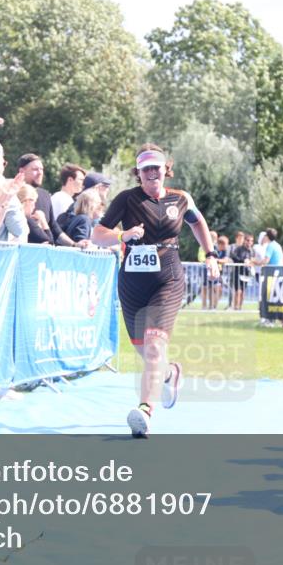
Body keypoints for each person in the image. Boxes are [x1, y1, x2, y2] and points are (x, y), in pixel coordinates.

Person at [92, 143, 219, 438]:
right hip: (133, 283)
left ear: (165, 170)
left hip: (168, 278)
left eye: (156, 168)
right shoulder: (126, 199)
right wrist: (123, 235)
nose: (151, 173)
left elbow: (197, 223)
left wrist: (210, 254)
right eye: (145, 169)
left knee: (154, 345)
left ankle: (145, 410)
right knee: (146, 351)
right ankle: (170, 373)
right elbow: (98, 235)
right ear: (138, 173)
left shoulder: (181, 198)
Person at [17, 153, 84, 247]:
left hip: (42, 254)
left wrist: (74, 244)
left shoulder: (45, 195)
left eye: (41, 169)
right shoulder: (14, 194)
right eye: (35, 169)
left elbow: (54, 227)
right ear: (22, 171)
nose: (40, 173)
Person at [228, 231, 250, 310]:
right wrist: (242, 261)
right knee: (238, 290)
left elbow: (250, 258)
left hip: (245, 272)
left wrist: (248, 261)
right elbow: (233, 257)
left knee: (243, 291)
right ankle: (235, 306)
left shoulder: (247, 249)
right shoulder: (236, 248)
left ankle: (240, 306)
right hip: (237, 271)